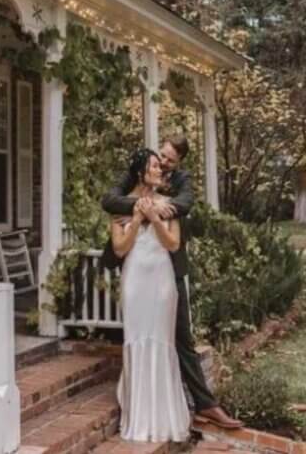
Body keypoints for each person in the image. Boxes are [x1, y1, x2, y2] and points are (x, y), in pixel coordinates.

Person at [102, 137, 244, 430]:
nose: (163, 164)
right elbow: (110, 201)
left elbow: (184, 205)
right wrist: (140, 207)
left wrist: (155, 211)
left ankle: (204, 405)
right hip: (137, 274)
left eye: (168, 160)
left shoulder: (181, 182)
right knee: (141, 337)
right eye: (160, 158)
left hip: (168, 271)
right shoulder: (137, 171)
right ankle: (141, 402)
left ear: (177, 163)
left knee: (180, 336)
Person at [111, 148, 190, 442]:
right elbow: (120, 249)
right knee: (136, 340)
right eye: (155, 166)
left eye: (161, 166)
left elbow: (173, 244)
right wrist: (135, 217)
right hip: (134, 281)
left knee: (161, 341)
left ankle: (163, 416)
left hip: (161, 281)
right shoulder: (121, 206)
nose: (160, 171)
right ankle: (138, 415)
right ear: (141, 171)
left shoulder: (168, 204)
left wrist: (155, 219)